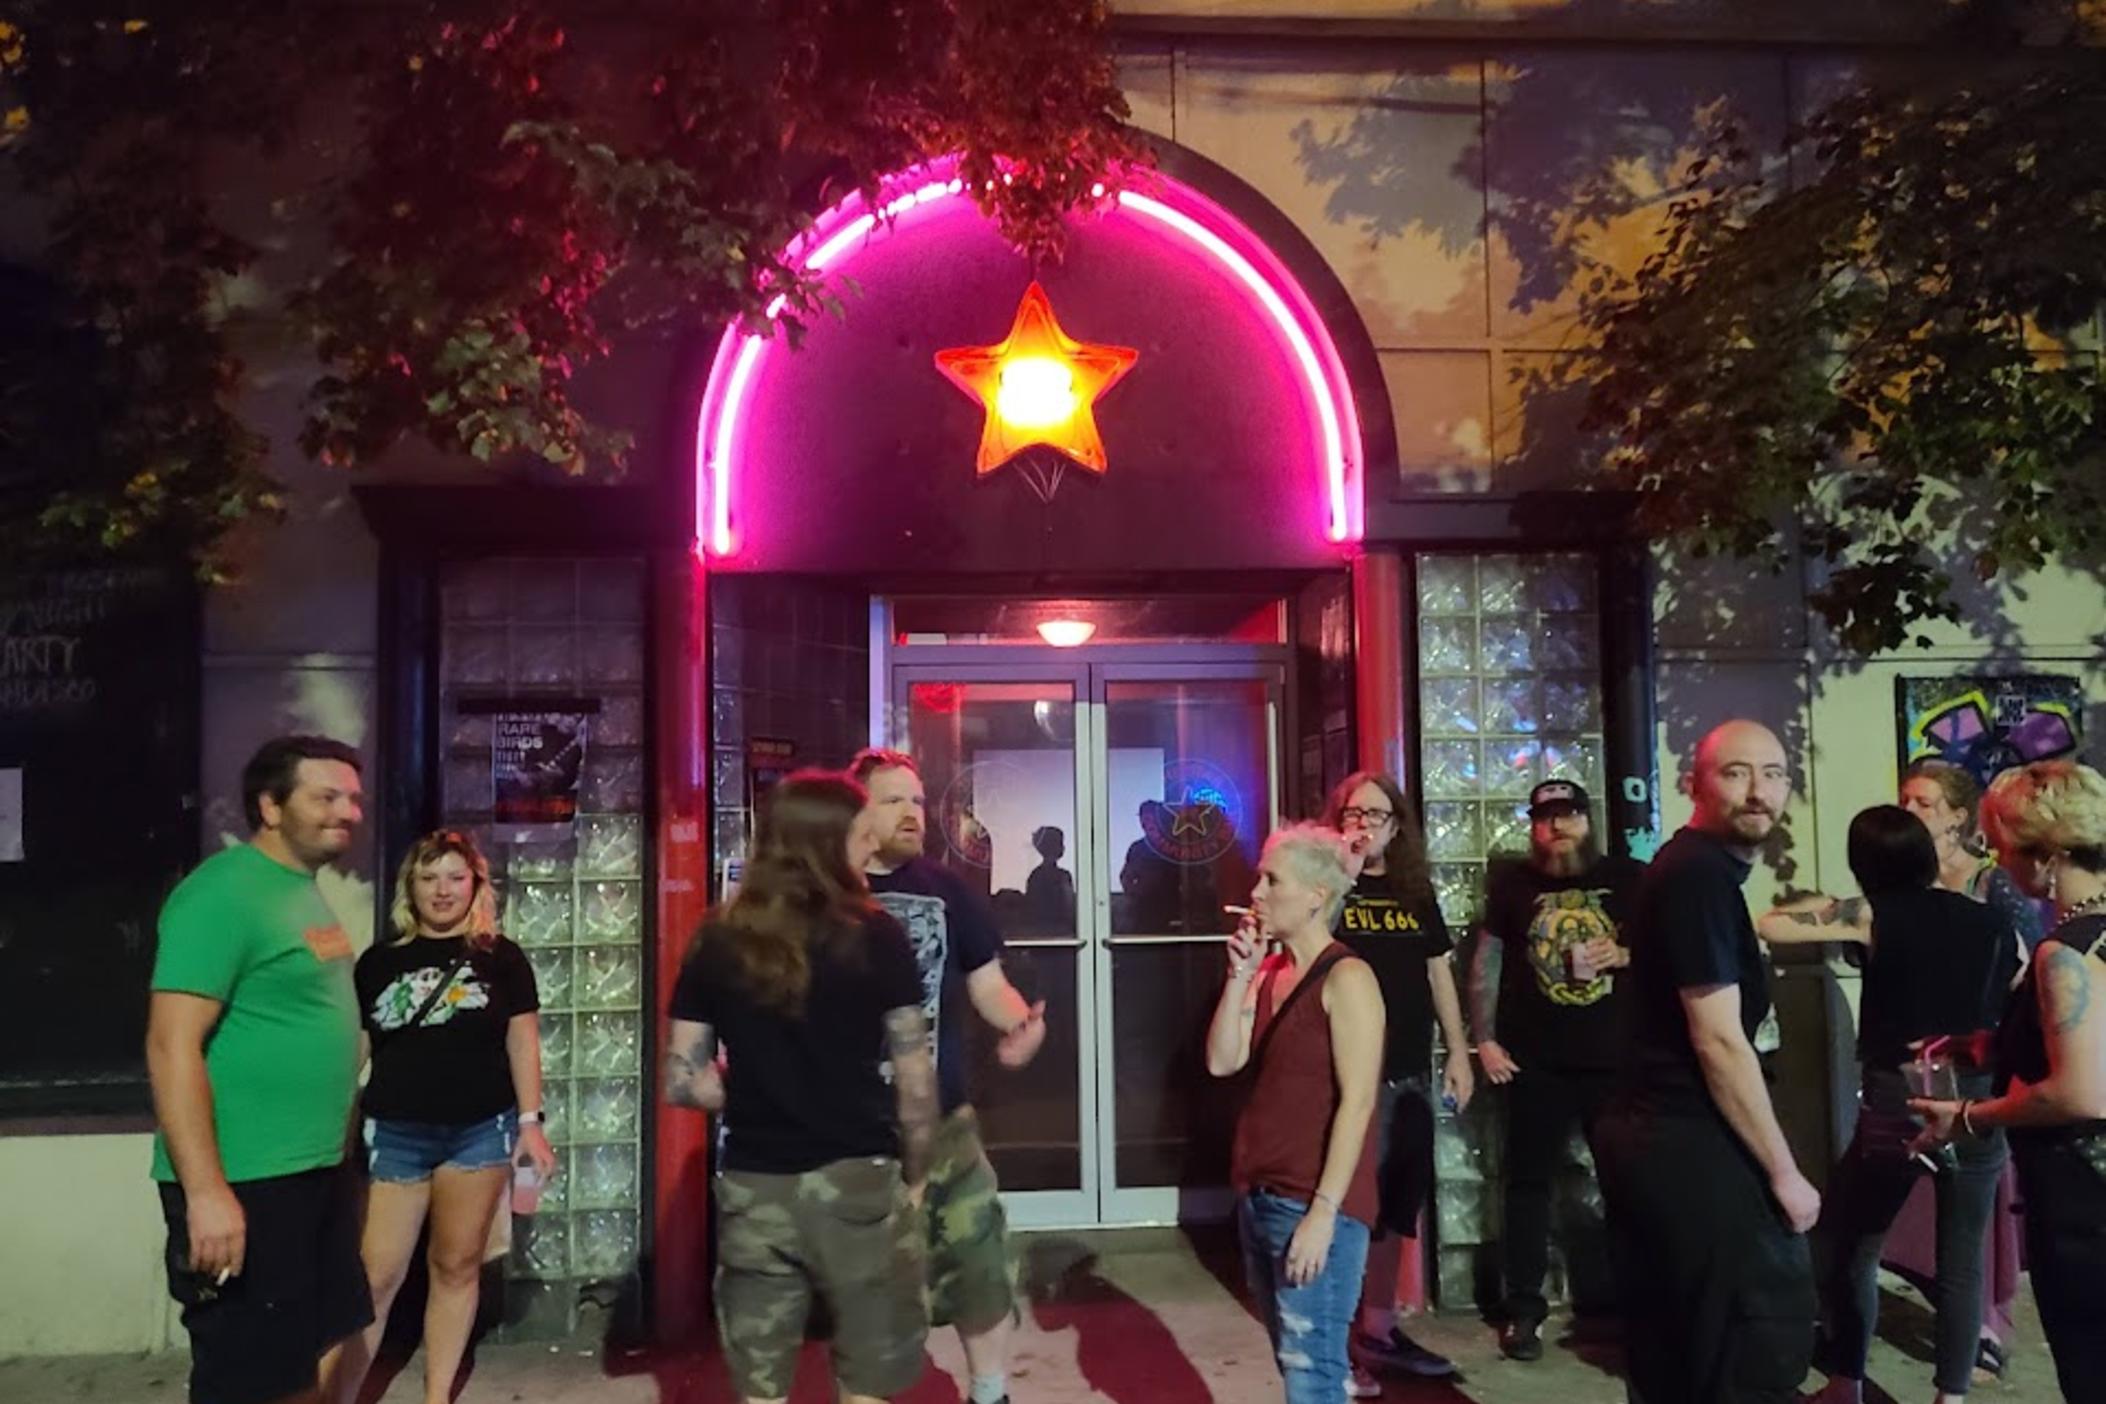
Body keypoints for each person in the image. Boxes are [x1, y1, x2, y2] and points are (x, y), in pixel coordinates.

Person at [664, 770, 937, 1404]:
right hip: (858, 1178)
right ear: (828, 843)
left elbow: (682, 1080)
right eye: (862, 834)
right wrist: (918, 1175)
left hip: (755, 1185)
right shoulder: (877, 934)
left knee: (761, 1385)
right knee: (868, 1375)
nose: (872, 845)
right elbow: (915, 1081)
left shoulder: (719, 936)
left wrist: (748, 1086)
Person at [1756, 806, 2017, 1404]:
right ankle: (1951, 1395)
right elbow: (2016, 982)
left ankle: (1846, 1379)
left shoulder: (1872, 913)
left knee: (1852, 1240)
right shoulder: (1992, 921)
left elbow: (1773, 926)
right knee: (1963, 1258)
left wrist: (1831, 903)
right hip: (1977, 1096)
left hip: (1901, 1093)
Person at [1594, 720, 1819, 1403]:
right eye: (1736, 773)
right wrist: (1784, 1172)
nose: (1758, 792)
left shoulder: (1696, 870)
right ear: (1693, 784)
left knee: (1679, 1357)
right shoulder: (1697, 878)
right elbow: (1718, 1040)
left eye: (1774, 774)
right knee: (1735, 1358)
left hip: (1660, 1135)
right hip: (1687, 1142)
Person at [145, 735, 373, 1404]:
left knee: (315, 1356)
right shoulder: (222, 894)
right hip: (247, 1180)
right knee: (251, 1380)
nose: (348, 812)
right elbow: (170, 1045)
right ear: (270, 807)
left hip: (313, 1173)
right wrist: (207, 1193)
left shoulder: (298, 891)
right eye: (326, 797)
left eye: (353, 798)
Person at [850, 749, 1048, 1404]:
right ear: (857, 810)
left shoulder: (946, 890)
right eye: (893, 800)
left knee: (980, 1264)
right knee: (869, 1286)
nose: (912, 812)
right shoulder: (823, 894)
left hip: (945, 1125)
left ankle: (990, 1393)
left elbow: (990, 987)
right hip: (856, 1130)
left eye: (916, 799)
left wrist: (1021, 1025)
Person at [334, 830, 557, 1404]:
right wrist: (327, 1118)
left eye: (456, 877)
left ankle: (438, 1396)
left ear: (476, 885)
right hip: (395, 1132)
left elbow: (523, 1042)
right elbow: (356, 1050)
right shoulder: (379, 962)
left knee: (456, 1265)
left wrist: (530, 1123)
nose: (442, 890)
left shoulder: (502, 959)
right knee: (376, 1275)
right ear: (409, 887)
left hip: (480, 1132)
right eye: (429, 877)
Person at [1912, 759, 2106, 1401]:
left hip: (2085, 1208)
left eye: (2002, 846)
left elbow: (2081, 1090)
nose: (1996, 860)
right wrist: (1994, 1044)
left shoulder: (2065, 952)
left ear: (2046, 855)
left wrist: (1969, 1117)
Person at [1206, 824, 1386, 1404]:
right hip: (1262, 1193)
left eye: (1272, 880)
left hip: (1311, 1199)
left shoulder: (1348, 978)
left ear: (1315, 896)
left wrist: (1324, 1213)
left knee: (1314, 1372)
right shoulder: (1269, 974)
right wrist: (1239, 975)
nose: (1256, 893)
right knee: (1296, 1361)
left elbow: (1359, 1102)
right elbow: (1222, 1061)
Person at [1469, 778, 1645, 1360]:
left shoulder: (1627, 879)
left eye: (1568, 815)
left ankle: (1638, 1304)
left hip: (1614, 1061)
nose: (1558, 826)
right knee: (1527, 1186)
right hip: (1535, 1062)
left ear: (1588, 820)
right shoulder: (1514, 884)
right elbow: (1488, 960)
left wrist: (1624, 954)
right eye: (1546, 818)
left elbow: (1672, 946)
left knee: (1628, 1185)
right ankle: (1524, 1311)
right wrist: (1484, 1039)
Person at [1323, 770, 1471, 1388]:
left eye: (1376, 815)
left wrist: (1458, 1051)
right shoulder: (1328, 885)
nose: (1364, 825)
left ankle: (1378, 1329)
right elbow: (1307, 946)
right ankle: (1335, 1340)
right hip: (1350, 1079)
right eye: (1353, 814)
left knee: (1396, 1206)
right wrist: (1344, 872)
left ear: (1396, 826)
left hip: (1409, 1071)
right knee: (1349, 1207)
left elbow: (1438, 973)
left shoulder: (1415, 891)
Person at [1902, 758, 2045, 957]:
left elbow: (2031, 948)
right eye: (1904, 801)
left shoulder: (1993, 881)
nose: (1908, 810)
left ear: (1957, 817)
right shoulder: (1903, 876)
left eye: (1923, 804)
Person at [1025, 825, 1076, 931]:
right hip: (1054, 931)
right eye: (1060, 843)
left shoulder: (1035, 875)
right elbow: (1068, 908)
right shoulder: (1061, 876)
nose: (1063, 847)